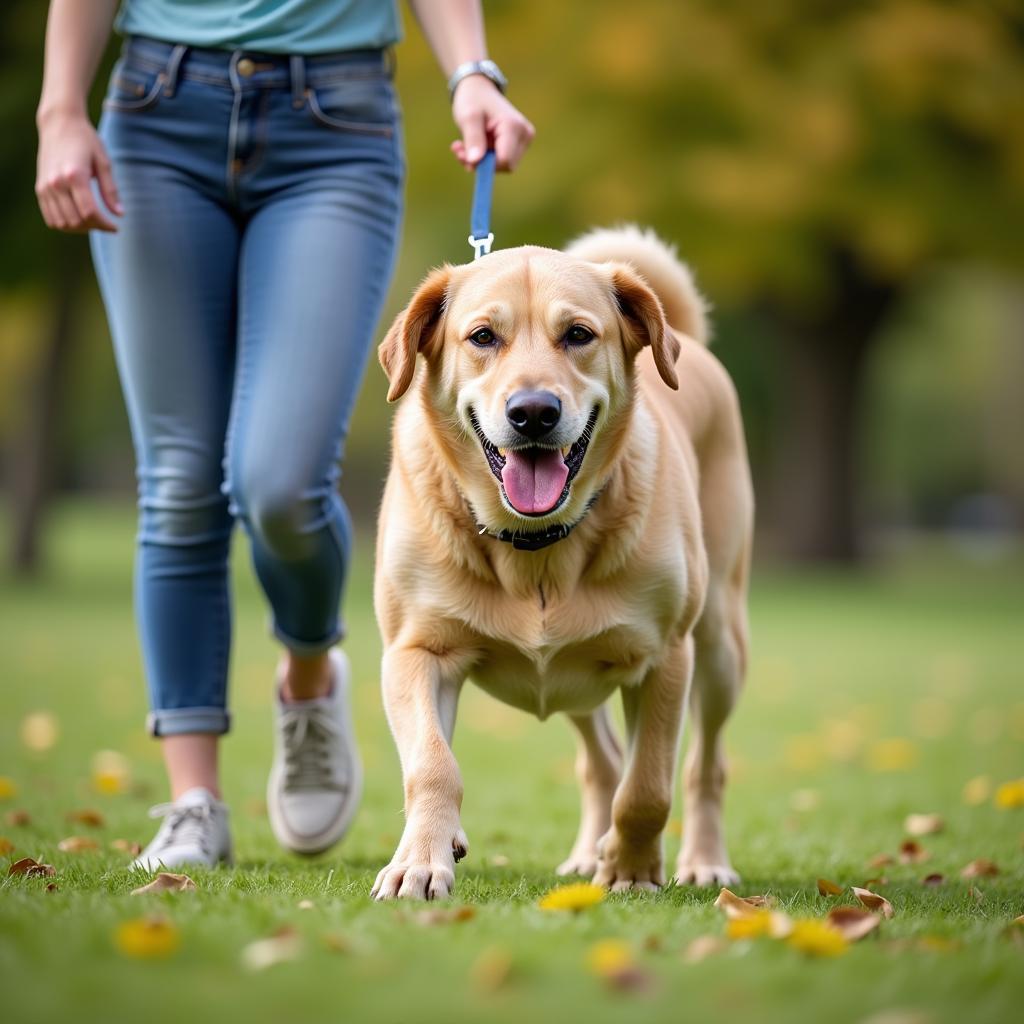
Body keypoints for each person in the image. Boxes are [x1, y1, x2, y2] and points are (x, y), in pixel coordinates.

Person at [35, 0, 533, 869]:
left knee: (279, 482)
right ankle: (195, 804)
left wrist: (471, 71)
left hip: (334, 124)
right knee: (181, 480)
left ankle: (309, 672)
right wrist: (60, 108)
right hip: (155, 114)